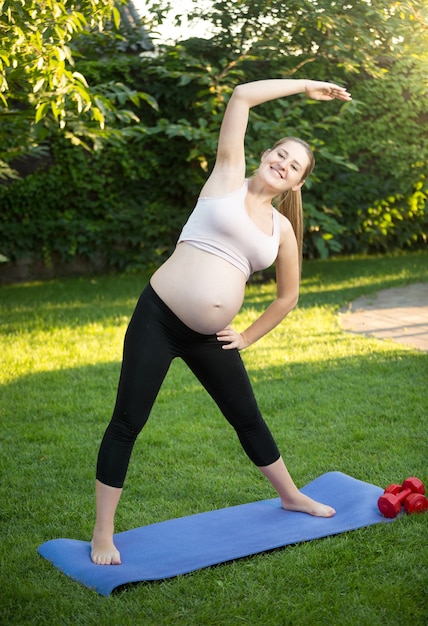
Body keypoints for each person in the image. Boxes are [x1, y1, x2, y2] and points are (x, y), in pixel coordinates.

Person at [91, 78, 352, 565]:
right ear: (264, 155)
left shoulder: (283, 230)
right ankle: (103, 533)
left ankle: (291, 495)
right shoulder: (227, 176)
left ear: (297, 183)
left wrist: (248, 335)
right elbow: (242, 96)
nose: (283, 163)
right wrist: (306, 87)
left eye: (294, 166)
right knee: (128, 420)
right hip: (159, 317)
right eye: (280, 153)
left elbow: (287, 297)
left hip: (212, 338)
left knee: (247, 417)